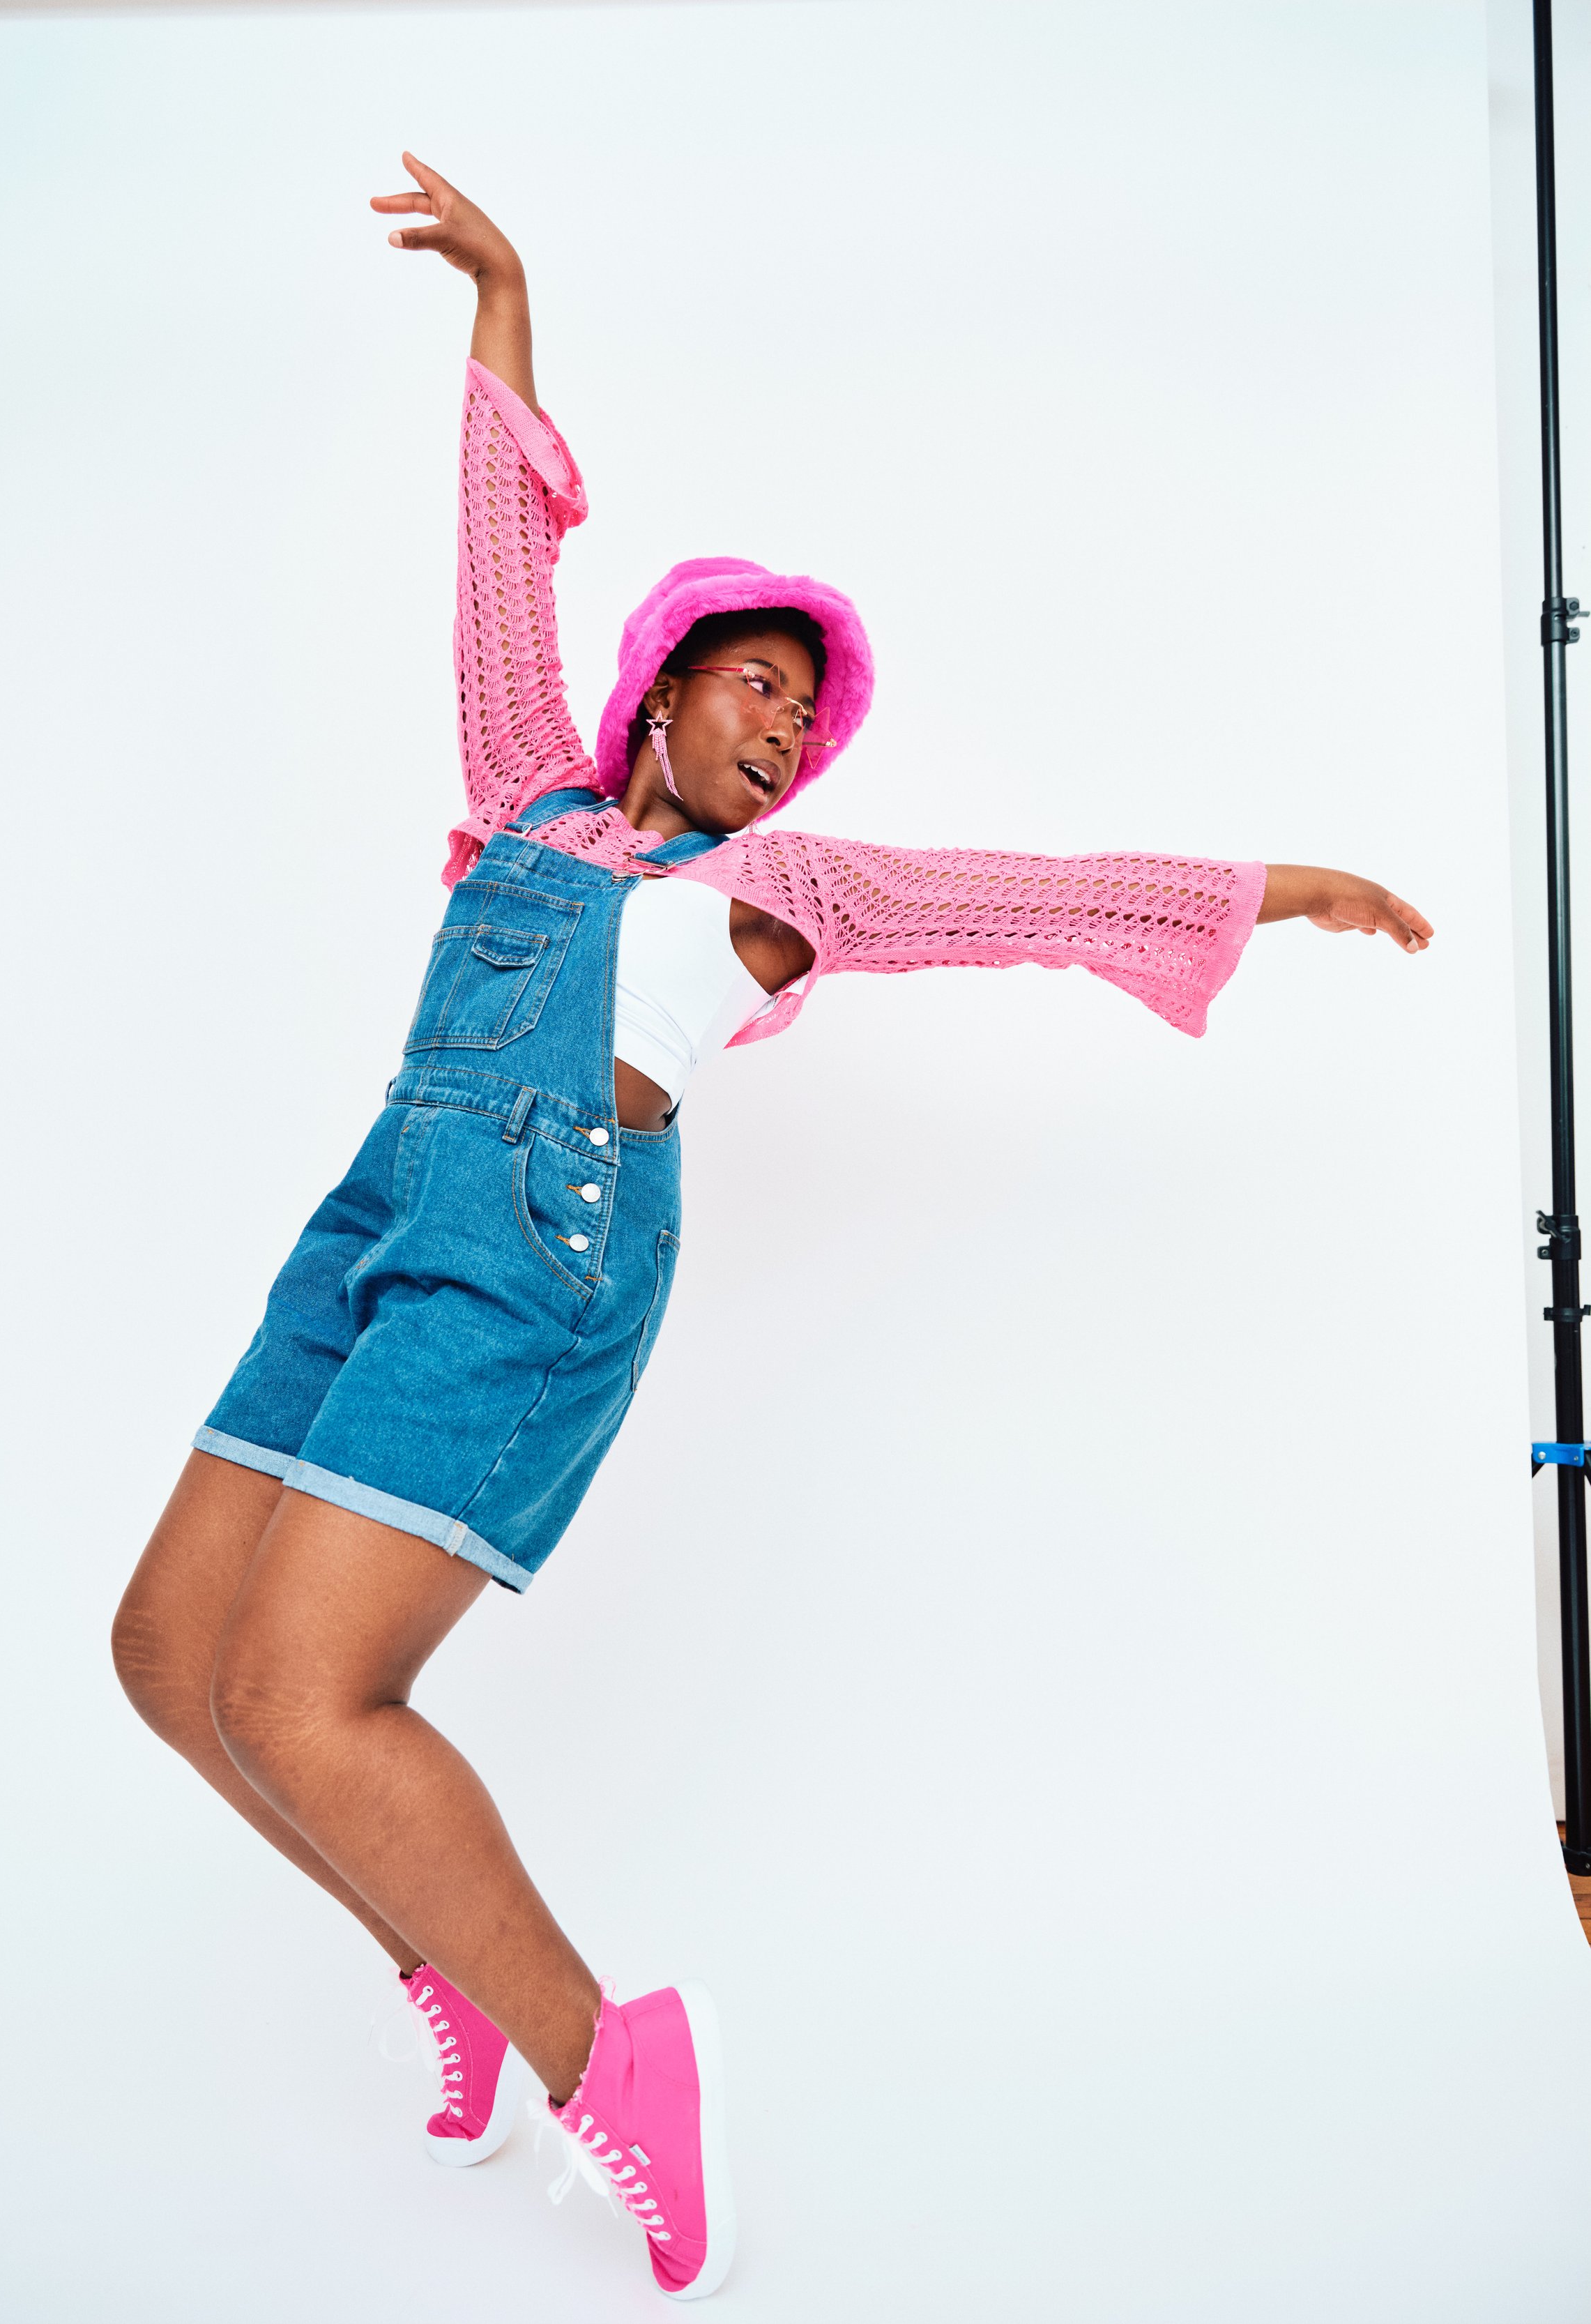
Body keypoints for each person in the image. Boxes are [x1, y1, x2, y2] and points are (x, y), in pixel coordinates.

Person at [111, 154, 1433, 2304]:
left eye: (806, 715)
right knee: (170, 1661)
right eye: (754, 684)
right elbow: (488, 571)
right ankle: (431, 1955)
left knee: (307, 1691)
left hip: (530, 1273)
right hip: (368, 1221)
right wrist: (506, 299)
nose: (785, 726)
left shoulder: (796, 896)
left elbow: (1038, 892)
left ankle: (604, 2061)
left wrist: (1281, 885)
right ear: (662, 686)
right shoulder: (525, 782)